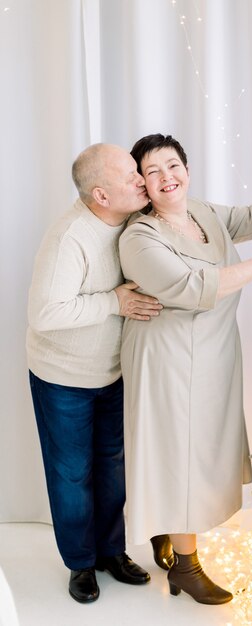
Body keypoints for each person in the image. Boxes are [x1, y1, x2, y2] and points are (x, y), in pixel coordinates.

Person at [119, 133, 252, 605]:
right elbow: (193, 287)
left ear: (187, 170)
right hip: (167, 358)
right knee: (180, 457)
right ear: (142, 185)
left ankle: (167, 534)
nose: (167, 177)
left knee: (205, 450)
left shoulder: (204, 214)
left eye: (173, 166)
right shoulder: (139, 237)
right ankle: (187, 567)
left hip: (212, 353)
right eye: (153, 172)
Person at [26, 143, 163, 604]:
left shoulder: (132, 221)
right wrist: (115, 301)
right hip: (62, 377)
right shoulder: (71, 238)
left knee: (111, 467)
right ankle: (80, 564)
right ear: (101, 196)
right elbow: (45, 313)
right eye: (131, 176)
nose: (141, 179)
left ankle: (111, 551)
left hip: (112, 372)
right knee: (72, 475)